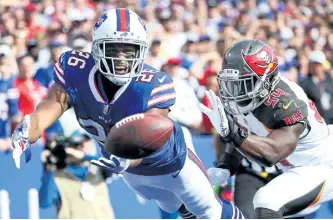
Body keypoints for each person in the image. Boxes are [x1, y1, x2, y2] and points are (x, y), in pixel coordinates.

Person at [11, 8, 243, 219]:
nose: (121, 58)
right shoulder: (76, 70)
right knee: (179, 209)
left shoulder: (152, 84)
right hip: (131, 173)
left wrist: (128, 160)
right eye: (113, 48)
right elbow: (51, 105)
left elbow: (150, 136)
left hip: (172, 162)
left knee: (209, 211)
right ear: (96, 47)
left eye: (129, 50)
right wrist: (28, 128)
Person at [200, 39, 333, 219]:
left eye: (243, 82)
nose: (234, 90)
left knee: (267, 201)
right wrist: (227, 164)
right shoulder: (246, 98)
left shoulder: (286, 102)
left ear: (266, 79)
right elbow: (245, 132)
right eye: (231, 82)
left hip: (322, 165)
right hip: (294, 168)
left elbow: (271, 153)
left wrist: (231, 132)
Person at [39, 133, 114, 219]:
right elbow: (44, 203)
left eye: (82, 143)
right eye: (75, 145)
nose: (80, 147)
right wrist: (49, 169)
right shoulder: (57, 177)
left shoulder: (97, 168)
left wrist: (84, 156)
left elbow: (113, 165)